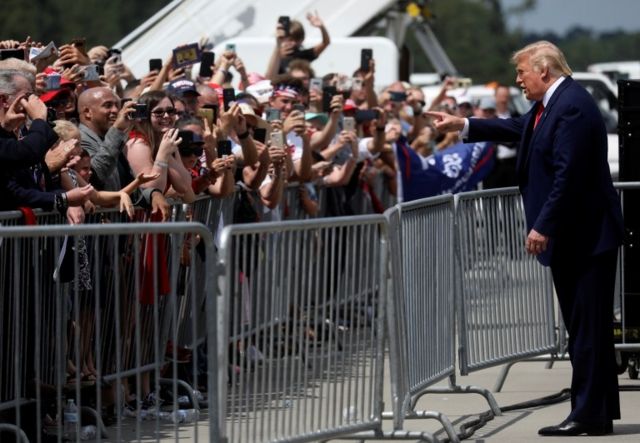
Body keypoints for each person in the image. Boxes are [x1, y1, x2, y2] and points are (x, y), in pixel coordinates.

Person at [428, 40, 624, 437]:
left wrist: (544, 225)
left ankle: (587, 414)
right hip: (579, 236)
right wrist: (464, 125)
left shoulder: (570, 104)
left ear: (543, 70)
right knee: (587, 331)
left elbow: (569, 176)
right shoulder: (554, 102)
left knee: (587, 333)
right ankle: (596, 412)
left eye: (522, 72)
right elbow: (520, 128)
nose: (518, 81)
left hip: (583, 238)